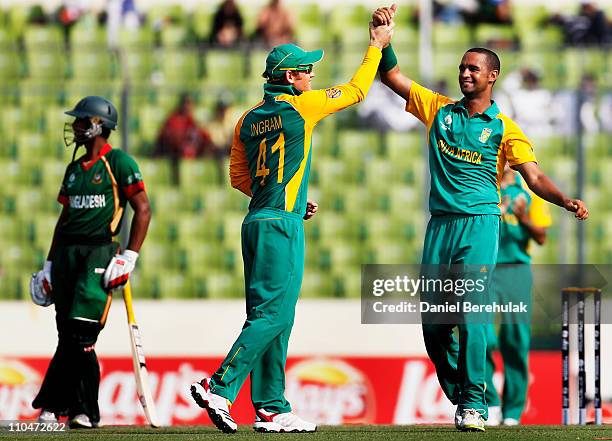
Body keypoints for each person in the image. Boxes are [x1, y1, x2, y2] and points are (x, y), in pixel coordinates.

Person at [373, 4, 588, 432]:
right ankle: (463, 393)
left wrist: (564, 200)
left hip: (479, 224)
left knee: (472, 311)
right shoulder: (439, 111)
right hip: (440, 226)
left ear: (492, 76)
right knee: (434, 325)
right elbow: (391, 78)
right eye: (461, 68)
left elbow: (534, 175)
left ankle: (475, 401)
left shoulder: (505, 128)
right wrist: (386, 41)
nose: (465, 74)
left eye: (473, 69)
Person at [189, 18, 394, 434]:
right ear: (289, 77)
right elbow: (356, 90)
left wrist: (289, 195)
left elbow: (239, 178)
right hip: (281, 225)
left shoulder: (247, 119)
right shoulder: (303, 105)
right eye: (307, 69)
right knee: (274, 314)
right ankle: (218, 386)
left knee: (273, 315)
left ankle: (270, 406)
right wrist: (376, 44)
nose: (313, 74)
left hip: (258, 220)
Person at [29, 96, 151, 428]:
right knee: (71, 336)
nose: (76, 126)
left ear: (98, 125)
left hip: (98, 252)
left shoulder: (120, 162)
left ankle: (51, 406)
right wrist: (49, 265)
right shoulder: (73, 170)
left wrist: (129, 255)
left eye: (82, 121)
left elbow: (143, 208)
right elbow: (64, 218)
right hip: (67, 254)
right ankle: (85, 411)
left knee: (81, 332)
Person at [484, 166, 551, 426]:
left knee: (515, 338)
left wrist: (524, 219)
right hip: (483, 268)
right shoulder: (484, 188)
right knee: (482, 336)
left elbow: (542, 237)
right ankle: (488, 403)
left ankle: (512, 411)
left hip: (516, 270)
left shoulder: (529, 194)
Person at [154, 93, 213, 184]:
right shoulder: (173, 119)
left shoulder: (192, 120)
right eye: (185, 103)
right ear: (181, 105)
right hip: (173, 154)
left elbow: (204, 137)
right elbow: (165, 139)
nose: (187, 106)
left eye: (190, 103)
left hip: (189, 154)